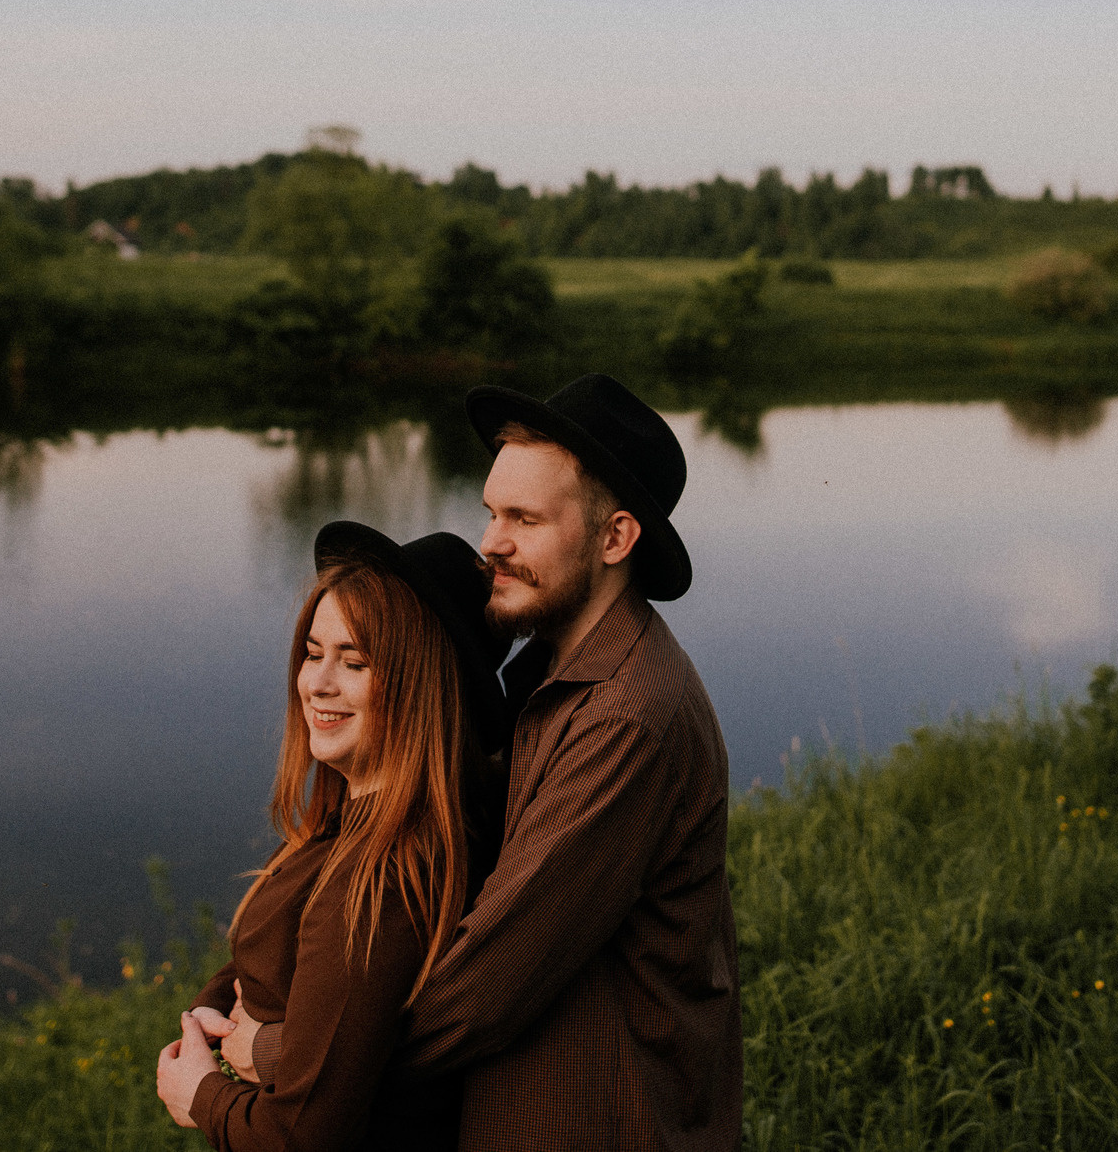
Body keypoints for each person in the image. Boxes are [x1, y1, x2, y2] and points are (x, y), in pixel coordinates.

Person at [234, 373, 741, 1151]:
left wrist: (285, 1055)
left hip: (605, 1122)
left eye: (525, 519)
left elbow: (486, 988)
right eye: (492, 513)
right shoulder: (546, 672)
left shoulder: (629, 715)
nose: (492, 543)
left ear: (615, 539)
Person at [156, 521, 510, 1151]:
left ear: (418, 685)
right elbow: (279, 967)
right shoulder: (351, 825)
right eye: (314, 653)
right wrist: (214, 1013)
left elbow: (304, 1136)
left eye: (355, 662)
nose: (317, 683)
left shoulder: (381, 882)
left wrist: (203, 1096)